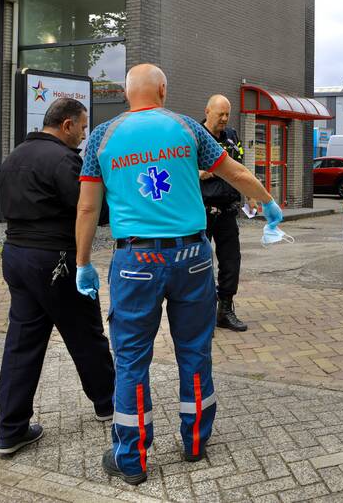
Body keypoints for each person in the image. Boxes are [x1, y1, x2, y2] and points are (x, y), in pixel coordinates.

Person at [74, 64, 283, 486]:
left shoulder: (102, 136)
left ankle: (131, 458)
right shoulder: (187, 128)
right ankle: (194, 442)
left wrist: (82, 264)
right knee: (194, 349)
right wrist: (269, 205)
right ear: (164, 90)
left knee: (132, 358)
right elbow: (236, 173)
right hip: (193, 255)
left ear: (126, 92)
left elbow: (87, 209)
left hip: (136, 262)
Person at [0, 97, 116, 456]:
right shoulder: (64, 160)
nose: (83, 133)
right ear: (65, 125)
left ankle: (10, 430)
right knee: (86, 332)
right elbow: (92, 209)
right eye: (81, 125)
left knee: (22, 342)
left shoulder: (13, 158)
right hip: (55, 259)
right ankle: (108, 403)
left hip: (15, 257)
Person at [199, 94, 255, 332]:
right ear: (207, 111)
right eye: (220, 114)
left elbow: (240, 168)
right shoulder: (195, 136)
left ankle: (225, 310)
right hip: (202, 211)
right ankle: (202, 316)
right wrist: (199, 173)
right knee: (200, 264)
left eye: (226, 114)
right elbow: (180, 171)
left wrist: (251, 194)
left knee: (231, 262)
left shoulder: (231, 137)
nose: (223, 119)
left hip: (228, 210)